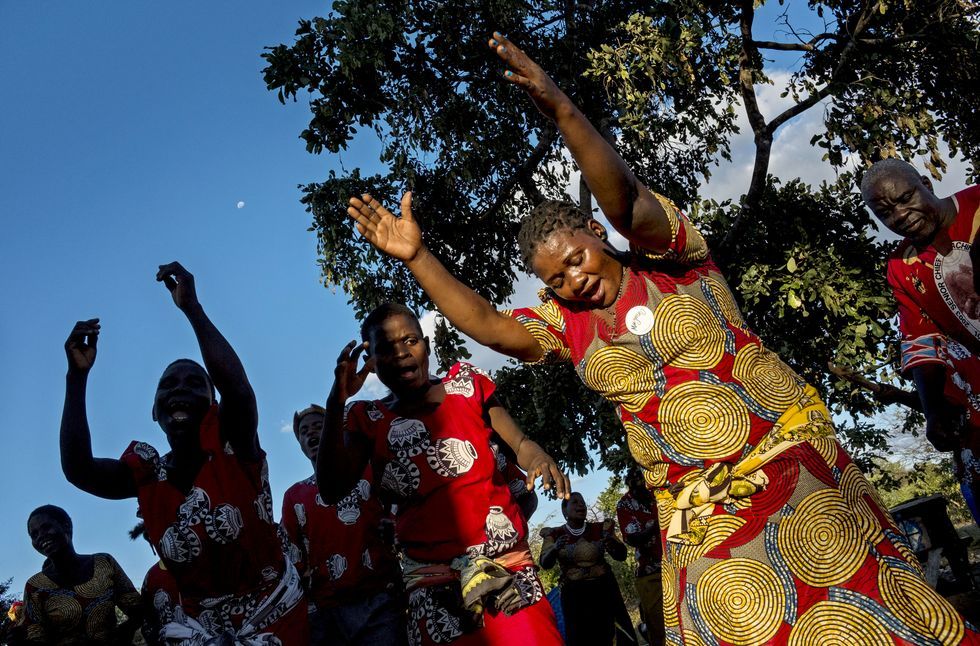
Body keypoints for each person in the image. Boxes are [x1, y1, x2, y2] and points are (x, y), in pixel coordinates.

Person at [346, 33, 979, 644]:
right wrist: (419, 259)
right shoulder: (563, 327)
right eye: (555, 277)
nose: (573, 279)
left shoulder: (675, 257)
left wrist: (563, 109)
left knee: (866, 623)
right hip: (701, 521)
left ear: (595, 233)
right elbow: (490, 326)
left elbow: (626, 203)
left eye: (576, 258)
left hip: (793, 472)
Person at [59, 262, 307, 644]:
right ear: (154, 411)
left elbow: (238, 390)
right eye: (168, 385)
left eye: (195, 383)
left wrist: (192, 309)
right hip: (199, 633)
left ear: (213, 403)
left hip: (277, 621)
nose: (180, 389)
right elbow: (78, 469)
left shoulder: (235, 448)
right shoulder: (146, 475)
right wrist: (76, 377)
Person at [318, 302, 567, 645]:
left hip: (509, 577)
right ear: (371, 363)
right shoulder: (367, 419)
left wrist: (538, 456)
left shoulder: (467, 387)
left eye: (411, 340)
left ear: (427, 345)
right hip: (435, 597)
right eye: (388, 348)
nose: (403, 352)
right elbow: (331, 487)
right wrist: (337, 400)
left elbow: (520, 443)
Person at [862, 159, 980, 522]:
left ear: (926, 182)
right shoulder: (901, 267)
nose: (900, 215)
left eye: (906, 197)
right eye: (885, 213)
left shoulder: (977, 204)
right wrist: (932, 413)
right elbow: (922, 340)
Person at [281, 404, 405, 644]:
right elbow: (293, 558)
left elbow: (400, 513)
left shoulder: (369, 473)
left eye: (319, 427)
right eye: (304, 431)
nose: (311, 434)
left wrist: (393, 529)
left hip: (379, 601)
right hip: (327, 614)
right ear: (300, 445)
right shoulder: (294, 497)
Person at [20, 505, 142, 645]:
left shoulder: (103, 563)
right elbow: (34, 636)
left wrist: (123, 633)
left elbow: (138, 610)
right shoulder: (35, 587)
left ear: (66, 526)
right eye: (34, 535)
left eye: (46, 527)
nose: (41, 536)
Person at [539, 492, 636, 646]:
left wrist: (612, 542)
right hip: (575, 597)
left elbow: (621, 555)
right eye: (575, 502)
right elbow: (544, 563)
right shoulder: (554, 534)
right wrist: (554, 549)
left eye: (583, 502)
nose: (581, 505)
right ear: (564, 510)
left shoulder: (601, 528)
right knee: (582, 638)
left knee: (614, 634)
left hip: (604, 591)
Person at [616, 468, 665, 646]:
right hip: (651, 573)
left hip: (676, 566)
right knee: (660, 627)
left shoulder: (659, 494)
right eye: (636, 485)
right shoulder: (625, 504)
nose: (642, 488)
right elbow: (633, 538)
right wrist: (659, 523)